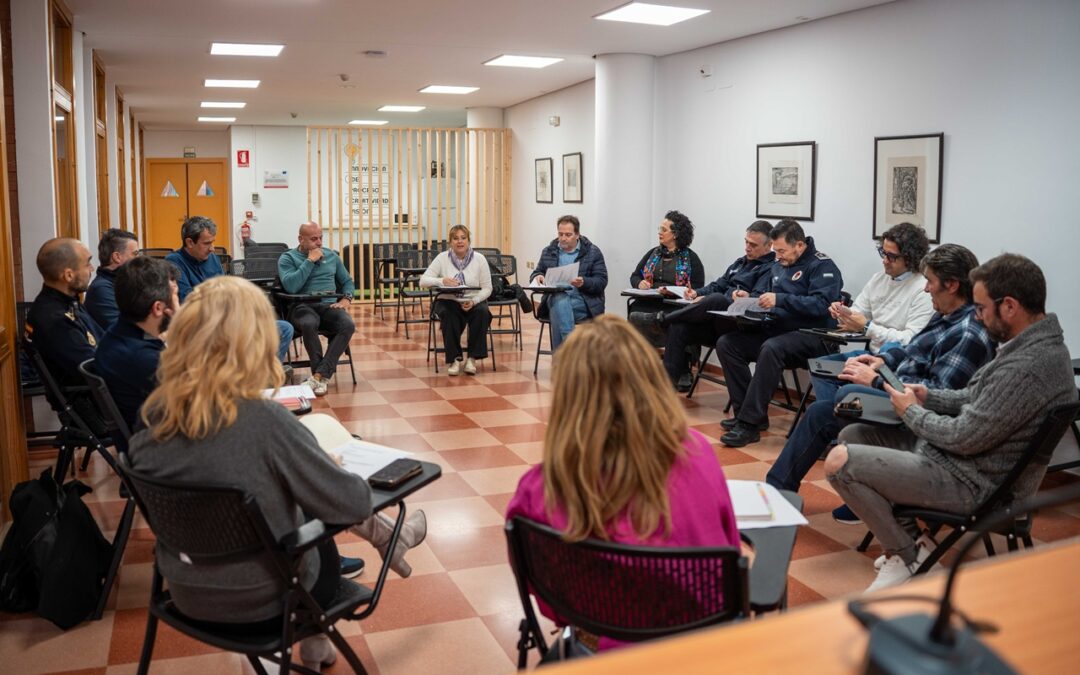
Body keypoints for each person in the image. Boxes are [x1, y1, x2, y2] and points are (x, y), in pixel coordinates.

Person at [127, 276, 426, 670]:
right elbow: (351, 503)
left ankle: (319, 641)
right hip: (267, 597)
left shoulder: (151, 421)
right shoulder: (263, 421)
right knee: (312, 521)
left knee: (292, 506)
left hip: (185, 591)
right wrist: (325, 470)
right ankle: (387, 541)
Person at [825, 254, 1076, 592]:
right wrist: (928, 396)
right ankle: (916, 548)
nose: (977, 316)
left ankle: (908, 554)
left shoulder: (1027, 367)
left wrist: (911, 410)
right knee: (855, 433)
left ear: (1010, 307)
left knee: (841, 462)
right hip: (966, 463)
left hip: (978, 485)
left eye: (983, 307)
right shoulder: (1036, 345)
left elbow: (962, 436)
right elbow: (974, 398)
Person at [506, 315, 740, 651]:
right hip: (705, 644)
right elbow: (728, 550)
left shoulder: (539, 488)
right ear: (649, 379)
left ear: (568, 394)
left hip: (600, 649)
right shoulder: (697, 452)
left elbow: (544, 593)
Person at [766, 244, 994, 498]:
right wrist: (879, 360)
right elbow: (910, 350)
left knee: (847, 394)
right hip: (896, 387)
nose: (927, 288)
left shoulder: (967, 332)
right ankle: (777, 489)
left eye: (930, 282)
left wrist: (877, 380)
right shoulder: (946, 315)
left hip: (913, 411)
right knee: (822, 407)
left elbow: (935, 395)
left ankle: (860, 487)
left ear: (951, 285)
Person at [716, 219, 844, 447]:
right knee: (728, 343)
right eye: (775, 251)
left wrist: (780, 300)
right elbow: (767, 295)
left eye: (782, 251)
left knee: (771, 348)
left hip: (813, 336)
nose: (778, 256)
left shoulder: (822, 266)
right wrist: (751, 300)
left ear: (800, 245)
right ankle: (747, 413)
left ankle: (749, 425)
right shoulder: (779, 264)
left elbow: (821, 304)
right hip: (778, 329)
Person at [810, 222, 934, 406]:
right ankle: (832, 418)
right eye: (883, 253)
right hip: (870, 355)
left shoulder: (923, 289)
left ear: (910, 258)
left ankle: (835, 420)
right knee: (820, 367)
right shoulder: (878, 279)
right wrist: (842, 312)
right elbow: (858, 312)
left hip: (897, 364)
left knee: (849, 382)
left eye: (891, 256)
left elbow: (910, 340)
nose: (884, 260)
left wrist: (867, 327)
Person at [648, 220, 776, 391]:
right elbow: (718, 284)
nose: (747, 247)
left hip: (739, 325)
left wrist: (737, 298)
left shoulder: (770, 269)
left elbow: (757, 300)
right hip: (716, 320)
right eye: (746, 242)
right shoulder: (740, 263)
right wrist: (697, 293)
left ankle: (664, 320)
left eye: (753, 245)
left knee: (718, 299)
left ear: (769, 245)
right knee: (679, 327)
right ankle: (664, 388)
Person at [167, 215, 294, 364]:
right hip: (203, 327)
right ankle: (255, 377)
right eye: (207, 243)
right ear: (189, 242)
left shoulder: (213, 259)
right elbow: (187, 300)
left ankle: (262, 378)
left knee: (284, 329)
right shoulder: (174, 262)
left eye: (213, 242)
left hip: (228, 320)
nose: (212, 248)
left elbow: (226, 290)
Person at [24, 238, 107, 436]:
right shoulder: (53, 319)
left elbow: (104, 340)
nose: (92, 269)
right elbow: (93, 368)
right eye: (87, 263)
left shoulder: (69, 303)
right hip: (96, 408)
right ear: (69, 275)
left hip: (101, 395)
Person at [95, 256, 179, 436]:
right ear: (158, 308)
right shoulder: (145, 359)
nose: (176, 304)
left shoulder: (117, 334)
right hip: (162, 447)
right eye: (174, 297)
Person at [278, 221, 357, 396]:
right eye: (314, 239)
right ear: (301, 239)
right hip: (302, 306)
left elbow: (347, 282)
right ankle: (320, 375)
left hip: (329, 305)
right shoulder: (288, 258)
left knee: (347, 325)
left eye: (320, 238)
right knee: (309, 323)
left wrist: (346, 299)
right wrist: (309, 261)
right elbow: (291, 286)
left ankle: (319, 375)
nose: (319, 243)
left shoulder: (332, 256)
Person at [419, 224, 493, 375]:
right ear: (450, 242)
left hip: (473, 300)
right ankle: (454, 359)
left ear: (468, 241)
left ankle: (472, 358)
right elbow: (423, 281)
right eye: (456, 238)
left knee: (482, 312)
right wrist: (442, 280)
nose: (460, 241)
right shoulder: (442, 258)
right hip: (448, 300)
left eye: (463, 238)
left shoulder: (480, 259)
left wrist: (474, 301)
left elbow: (487, 288)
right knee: (449, 314)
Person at [626, 211, 705, 345]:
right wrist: (640, 283)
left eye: (664, 229)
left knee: (670, 319)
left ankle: (673, 359)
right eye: (659, 229)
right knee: (635, 311)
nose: (659, 232)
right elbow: (635, 276)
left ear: (675, 234)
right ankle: (638, 358)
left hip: (674, 306)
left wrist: (675, 292)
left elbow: (698, 288)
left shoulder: (691, 258)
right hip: (648, 302)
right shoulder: (653, 253)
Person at [530, 215, 608, 350]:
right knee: (560, 299)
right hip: (554, 298)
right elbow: (536, 273)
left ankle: (562, 362)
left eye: (568, 234)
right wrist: (538, 277)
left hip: (583, 303)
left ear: (577, 234)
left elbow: (601, 281)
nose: (563, 238)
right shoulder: (549, 251)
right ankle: (571, 351)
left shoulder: (592, 252)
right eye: (560, 234)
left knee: (558, 311)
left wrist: (584, 282)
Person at [84, 228, 140, 329]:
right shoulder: (101, 289)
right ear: (117, 257)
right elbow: (121, 330)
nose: (139, 259)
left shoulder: (123, 282)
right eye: (135, 254)